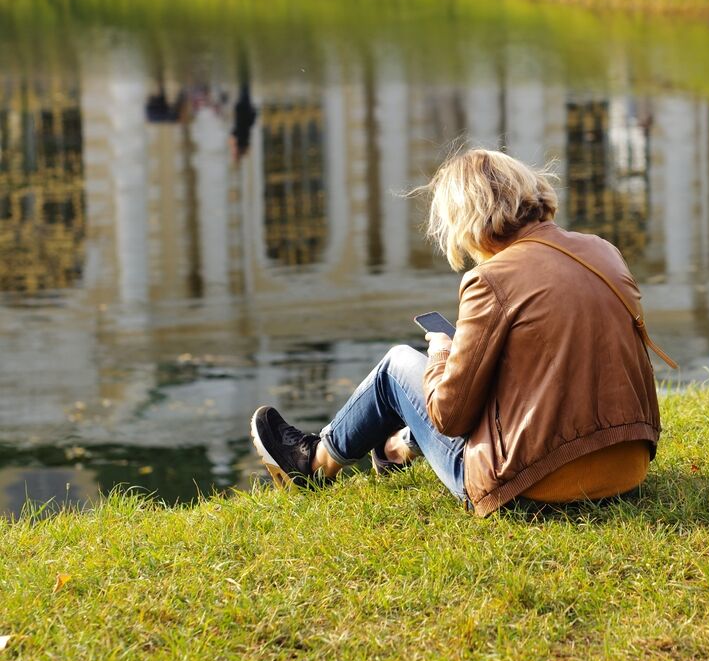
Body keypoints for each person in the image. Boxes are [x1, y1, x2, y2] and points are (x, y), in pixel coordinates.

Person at [249, 149, 666, 516]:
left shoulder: (490, 279)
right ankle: (395, 449)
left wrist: (442, 352)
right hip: (628, 464)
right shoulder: (602, 250)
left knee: (397, 367)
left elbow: (450, 416)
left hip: (535, 484)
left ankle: (313, 462)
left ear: (466, 218)